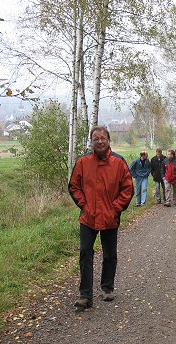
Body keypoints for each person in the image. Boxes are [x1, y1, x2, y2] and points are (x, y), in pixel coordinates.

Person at [68, 126, 134, 310]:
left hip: (110, 217)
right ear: (91, 142)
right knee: (85, 253)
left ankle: (107, 288)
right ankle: (85, 295)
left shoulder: (119, 162)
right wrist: (85, 205)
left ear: (108, 140)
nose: (99, 141)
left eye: (103, 138)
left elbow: (127, 189)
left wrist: (115, 209)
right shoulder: (83, 162)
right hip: (88, 217)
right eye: (95, 138)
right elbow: (74, 186)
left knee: (110, 254)